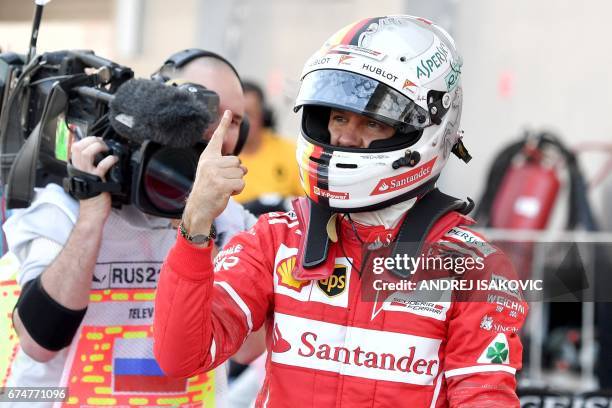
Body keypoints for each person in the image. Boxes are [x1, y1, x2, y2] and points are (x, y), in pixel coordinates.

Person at [154, 16, 528, 406]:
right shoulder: (278, 238)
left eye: (371, 121)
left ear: (427, 129)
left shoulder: (472, 266)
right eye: (337, 117)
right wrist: (195, 224)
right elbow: (181, 356)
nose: (346, 136)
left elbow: (485, 398)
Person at [2, 50, 256, 407]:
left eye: (235, 121)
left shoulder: (231, 221)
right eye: (208, 113)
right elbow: (39, 341)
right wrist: (92, 213)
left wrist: (196, 224)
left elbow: (249, 349)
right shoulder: (62, 206)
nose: (220, 133)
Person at [234, 81, 302, 212]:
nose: (241, 122)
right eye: (236, 115)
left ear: (263, 116)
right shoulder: (219, 157)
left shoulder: (291, 152)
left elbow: (308, 205)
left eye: (248, 114)